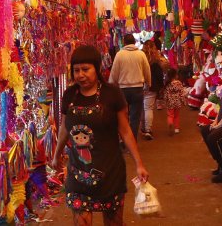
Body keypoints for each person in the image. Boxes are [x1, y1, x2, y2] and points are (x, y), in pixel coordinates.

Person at [52, 44, 149, 225]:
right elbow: (65, 126)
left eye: (86, 69)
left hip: (110, 172)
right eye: (76, 70)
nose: (81, 75)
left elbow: (125, 130)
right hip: (78, 173)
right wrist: (56, 155)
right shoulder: (69, 95)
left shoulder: (112, 94)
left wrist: (139, 163)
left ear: (97, 69)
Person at [107, 34, 150, 136]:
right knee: (135, 117)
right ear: (134, 42)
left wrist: (110, 86)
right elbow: (147, 70)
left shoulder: (120, 54)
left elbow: (114, 72)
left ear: (124, 43)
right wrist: (148, 83)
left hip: (123, 90)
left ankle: (123, 139)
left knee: (122, 116)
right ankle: (132, 140)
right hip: (138, 89)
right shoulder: (141, 54)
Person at [141, 40, 167, 140]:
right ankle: (148, 130)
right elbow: (159, 75)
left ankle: (143, 128)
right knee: (148, 108)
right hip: (152, 87)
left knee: (142, 108)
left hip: (140, 85)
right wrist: (161, 86)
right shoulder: (156, 61)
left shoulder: (141, 58)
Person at [158, 68, 188, 135]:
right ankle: (176, 129)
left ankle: (170, 123)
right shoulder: (179, 83)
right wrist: (184, 102)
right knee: (177, 116)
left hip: (170, 102)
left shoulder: (168, 84)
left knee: (170, 115)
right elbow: (182, 93)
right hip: (178, 103)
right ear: (175, 75)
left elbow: (166, 94)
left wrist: (165, 101)